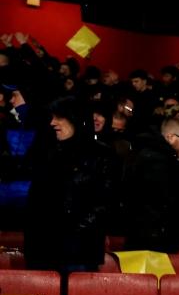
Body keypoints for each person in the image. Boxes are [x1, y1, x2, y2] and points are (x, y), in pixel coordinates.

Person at [24, 96, 115, 275]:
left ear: (75, 118)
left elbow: (104, 203)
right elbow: (34, 201)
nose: (52, 122)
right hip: (41, 251)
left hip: (78, 252)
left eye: (59, 117)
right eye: (52, 117)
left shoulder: (101, 155)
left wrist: (69, 231)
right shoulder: (47, 151)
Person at [123, 115, 179, 253]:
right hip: (152, 238)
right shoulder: (157, 160)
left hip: (149, 233)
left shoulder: (153, 155)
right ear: (170, 137)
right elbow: (163, 197)